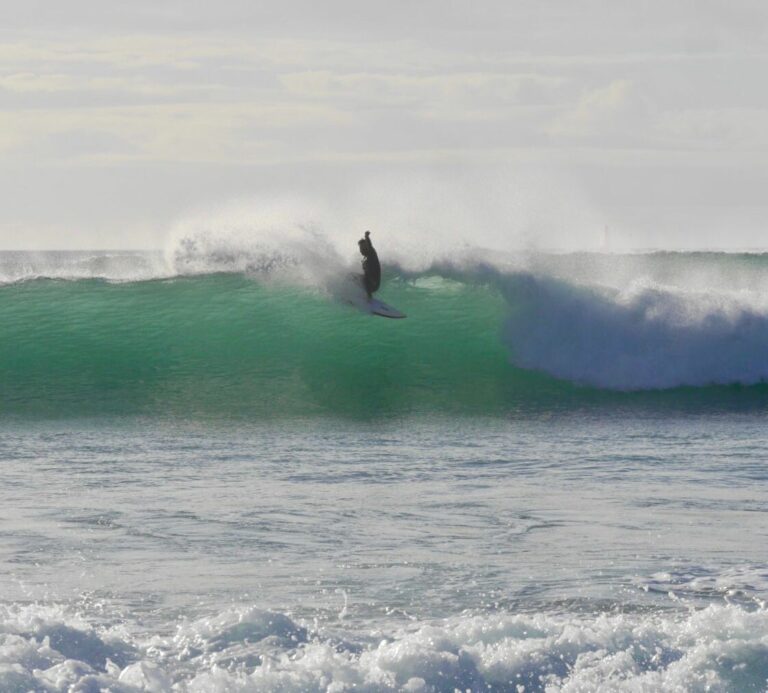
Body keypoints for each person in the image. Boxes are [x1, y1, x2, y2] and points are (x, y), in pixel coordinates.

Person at [358, 230, 381, 299]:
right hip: (369, 284)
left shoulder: (372, 254)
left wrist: (366, 237)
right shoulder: (365, 259)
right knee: (351, 276)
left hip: (373, 284)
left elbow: (370, 246)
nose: (361, 250)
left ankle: (369, 297)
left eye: (363, 248)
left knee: (365, 277)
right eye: (360, 248)